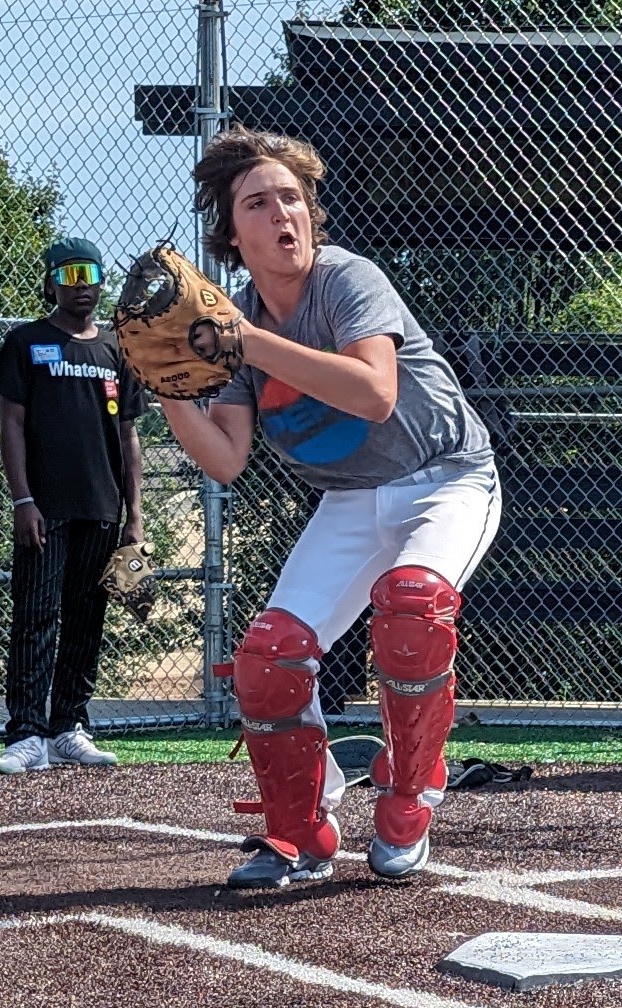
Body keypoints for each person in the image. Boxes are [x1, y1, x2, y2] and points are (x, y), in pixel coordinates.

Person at [160, 127, 500, 886]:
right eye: (258, 202)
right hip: (350, 499)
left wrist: (242, 340)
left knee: (412, 607)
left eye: (293, 198)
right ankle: (299, 834)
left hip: (444, 477)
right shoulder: (239, 325)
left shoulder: (346, 279)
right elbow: (227, 459)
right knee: (268, 657)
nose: (282, 212)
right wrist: (172, 393)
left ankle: (409, 795)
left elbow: (374, 395)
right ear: (231, 233)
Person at [0, 238, 145, 774]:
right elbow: (10, 423)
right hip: (44, 508)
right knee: (35, 617)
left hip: (102, 508)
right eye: (70, 274)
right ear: (51, 281)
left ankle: (69, 725)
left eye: (91, 273)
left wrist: (134, 516)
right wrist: (22, 498)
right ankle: (26, 733)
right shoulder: (26, 342)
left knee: (86, 617)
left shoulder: (116, 352)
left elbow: (128, 436)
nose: (82, 284)